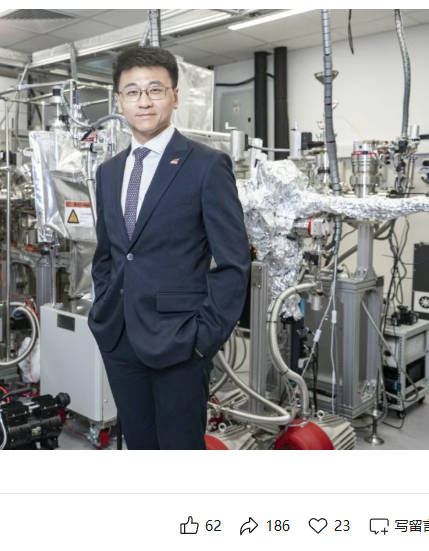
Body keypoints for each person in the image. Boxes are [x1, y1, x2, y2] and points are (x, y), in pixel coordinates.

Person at [88, 46, 251, 450]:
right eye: (132, 92)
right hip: (119, 338)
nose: (143, 101)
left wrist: (202, 340)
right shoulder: (108, 172)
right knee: (140, 445)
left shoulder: (206, 165)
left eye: (155, 90)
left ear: (174, 97)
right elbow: (108, 254)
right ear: (119, 101)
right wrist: (103, 309)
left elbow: (234, 263)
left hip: (180, 342)